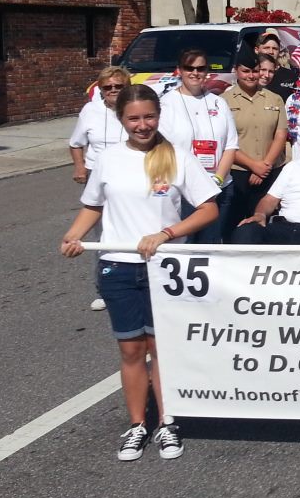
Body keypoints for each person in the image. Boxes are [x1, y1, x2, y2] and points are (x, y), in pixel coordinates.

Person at [59, 84, 219, 462]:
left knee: (161, 349)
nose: (142, 125)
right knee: (131, 349)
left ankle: (167, 421)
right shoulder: (109, 159)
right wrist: (74, 234)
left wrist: (167, 233)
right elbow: (93, 206)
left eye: (149, 116)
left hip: (164, 268)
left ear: (158, 117)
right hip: (118, 266)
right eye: (134, 118)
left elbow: (208, 208)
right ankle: (136, 425)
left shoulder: (176, 156)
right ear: (121, 120)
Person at [158, 48, 239, 243]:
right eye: (189, 68)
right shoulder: (166, 104)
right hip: (184, 190)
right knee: (184, 247)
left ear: (207, 72)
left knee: (212, 249)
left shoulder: (219, 103)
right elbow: (164, 149)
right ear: (179, 70)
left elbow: (230, 145)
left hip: (218, 187)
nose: (195, 73)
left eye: (200, 68)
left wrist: (218, 179)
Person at [69, 66, 132, 311]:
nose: (113, 91)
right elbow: (76, 143)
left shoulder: (133, 108)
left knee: (135, 227)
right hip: (100, 176)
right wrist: (79, 167)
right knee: (103, 235)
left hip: (132, 173)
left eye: (119, 86)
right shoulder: (90, 111)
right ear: (101, 89)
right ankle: (105, 289)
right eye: (108, 87)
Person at [222, 49, 288, 240]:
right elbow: (225, 140)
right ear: (236, 71)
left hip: (270, 171)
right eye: (246, 71)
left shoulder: (274, 98)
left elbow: (280, 134)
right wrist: (253, 165)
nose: (251, 76)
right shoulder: (223, 101)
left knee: (266, 226)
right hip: (237, 172)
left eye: (255, 71)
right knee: (234, 227)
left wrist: (264, 165)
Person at [253, 29, 297, 100]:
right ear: (256, 50)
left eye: (275, 48)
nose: (271, 52)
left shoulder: (290, 75)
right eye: (266, 48)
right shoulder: (249, 74)